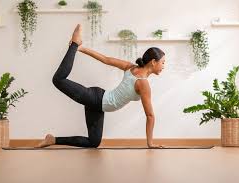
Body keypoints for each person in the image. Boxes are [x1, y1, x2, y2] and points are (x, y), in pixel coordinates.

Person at [36, 24, 165, 148]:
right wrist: (150, 143)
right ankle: (75, 42)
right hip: (96, 99)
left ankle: (52, 140)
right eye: (163, 63)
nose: (164, 66)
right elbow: (150, 116)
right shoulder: (143, 83)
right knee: (58, 80)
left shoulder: (132, 67)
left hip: (98, 104)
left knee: (94, 142)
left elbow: (105, 59)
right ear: (153, 62)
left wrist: (83, 49)